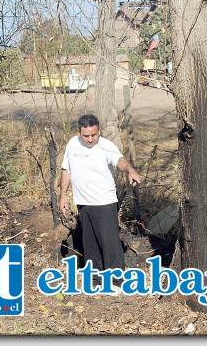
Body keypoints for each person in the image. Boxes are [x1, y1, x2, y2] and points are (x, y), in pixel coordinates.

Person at [58, 114, 141, 292]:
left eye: (94, 135)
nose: (90, 139)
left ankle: (117, 282)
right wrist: (63, 195)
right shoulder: (72, 144)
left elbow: (120, 161)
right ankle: (95, 280)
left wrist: (131, 170)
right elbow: (66, 169)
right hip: (83, 203)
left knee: (109, 242)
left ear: (99, 131)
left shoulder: (106, 146)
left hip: (104, 202)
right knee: (90, 243)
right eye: (86, 135)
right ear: (79, 132)